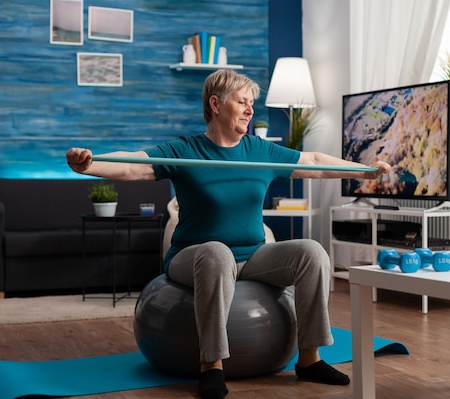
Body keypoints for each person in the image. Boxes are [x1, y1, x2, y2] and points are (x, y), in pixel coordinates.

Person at [66, 69, 390, 399]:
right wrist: (88, 165)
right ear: (216, 104)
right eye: (242, 101)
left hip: (254, 256)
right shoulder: (186, 150)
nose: (250, 109)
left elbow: (316, 161)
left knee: (312, 252)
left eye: (252, 103)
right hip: (192, 257)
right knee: (217, 252)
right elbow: (133, 165)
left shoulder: (259, 151)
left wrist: (365, 170)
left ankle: (309, 359)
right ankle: (212, 366)